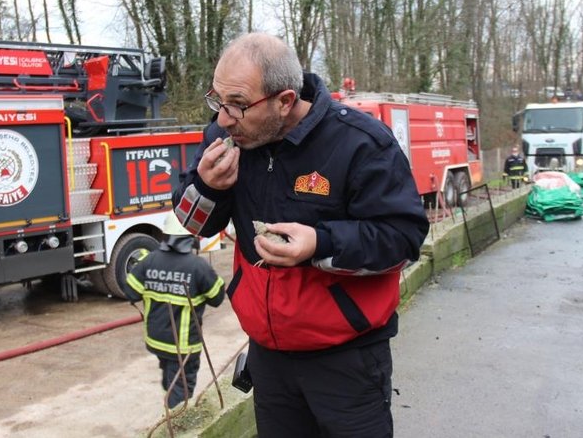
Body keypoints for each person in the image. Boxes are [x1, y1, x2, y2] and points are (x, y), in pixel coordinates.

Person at [172, 32, 429, 437]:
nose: (222, 117)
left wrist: (321, 244)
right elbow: (194, 224)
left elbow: (404, 238)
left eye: (238, 105)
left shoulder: (361, 144)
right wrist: (208, 188)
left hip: (347, 359)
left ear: (285, 101)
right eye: (217, 100)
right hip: (269, 357)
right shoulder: (225, 136)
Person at [123, 213, 225, 409]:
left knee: (170, 377)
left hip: (156, 340)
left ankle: (170, 403)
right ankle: (175, 423)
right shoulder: (198, 267)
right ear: (191, 237)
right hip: (183, 347)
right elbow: (217, 298)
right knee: (181, 392)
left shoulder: (149, 260)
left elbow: (131, 292)